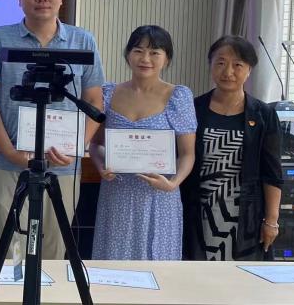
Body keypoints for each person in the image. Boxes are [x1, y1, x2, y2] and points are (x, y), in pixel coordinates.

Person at [0, 0, 105, 260]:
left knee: (54, 253)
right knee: (14, 255)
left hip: (63, 165)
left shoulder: (82, 39)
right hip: (9, 165)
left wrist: (76, 149)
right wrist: (10, 152)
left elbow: (94, 101)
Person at [89, 25, 196, 260]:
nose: (145, 59)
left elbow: (188, 154)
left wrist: (173, 183)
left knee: (156, 264)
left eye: (154, 52)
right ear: (128, 54)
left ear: (167, 59)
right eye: (138, 50)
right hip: (117, 194)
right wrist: (100, 166)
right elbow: (95, 144)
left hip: (158, 196)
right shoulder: (108, 93)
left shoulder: (178, 96)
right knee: (113, 263)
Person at [181, 36, 283, 261]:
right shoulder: (193, 108)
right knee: (197, 274)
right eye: (220, 63)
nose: (228, 71)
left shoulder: (263, 114)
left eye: (237, 65)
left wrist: (271, 220)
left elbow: (272, 173)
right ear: (210, 65)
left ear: (249, 70)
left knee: (241, 277)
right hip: (198, 212)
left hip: (245, 215)